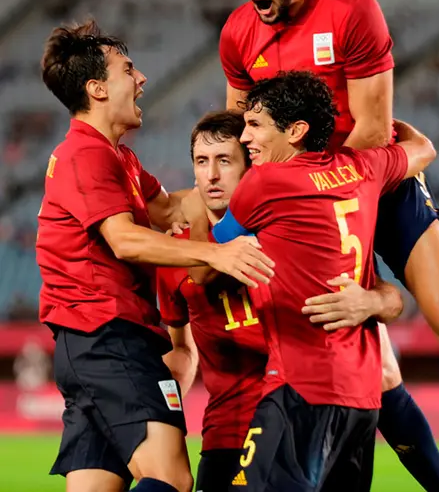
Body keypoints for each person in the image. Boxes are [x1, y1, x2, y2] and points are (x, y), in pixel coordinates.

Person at [217, 0, 439, 486]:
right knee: (377, 371)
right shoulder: (238, 33)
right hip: (305, 203)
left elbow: (374, 129)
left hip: (375, 181)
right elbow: (238, 130)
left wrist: (324, 193)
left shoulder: (352, 9)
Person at [35, 21, 274, 492]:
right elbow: (124, 240)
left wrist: (262, 179)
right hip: (110, 336)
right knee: (172, 479)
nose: (141, 78)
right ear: (98, 89)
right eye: (128, 70)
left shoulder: (119, 158)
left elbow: (170, 210)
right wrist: (217, 254)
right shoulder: (86, 154)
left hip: (87, 345)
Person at [159, 110, 411, 491]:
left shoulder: (294, 230)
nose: (211, 175)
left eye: (224, 161)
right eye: (201, 161)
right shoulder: (172, 255)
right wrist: (164, 413)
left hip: (303, 411)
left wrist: (371, 303)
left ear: (251, 167)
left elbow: (391, 299)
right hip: (227, 431)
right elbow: (181, 348)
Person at [209, 71, 436, 491]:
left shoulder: (264, 183)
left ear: (296, 131)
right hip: (362, 401)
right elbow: (423, 148)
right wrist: (387, 124)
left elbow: (220, 243)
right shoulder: (363, 168)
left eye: (255, 125)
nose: (244, 137)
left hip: (302, 386)